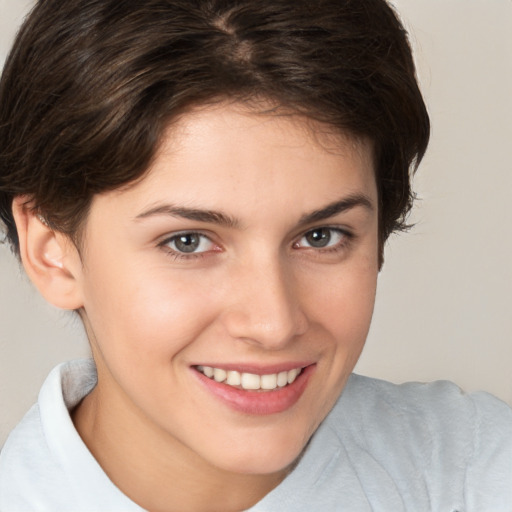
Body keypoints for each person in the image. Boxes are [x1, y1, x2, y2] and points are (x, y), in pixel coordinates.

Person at [0, 0, 510, 510]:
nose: (273, 323)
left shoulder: (475, 474)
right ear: (52, 252)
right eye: (188, 242)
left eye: (321, 236)